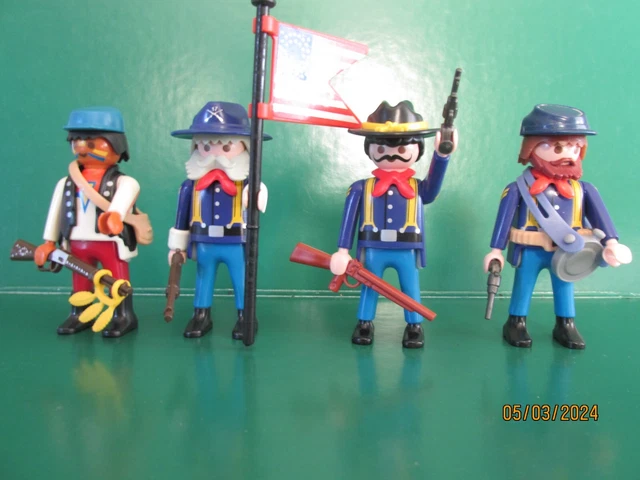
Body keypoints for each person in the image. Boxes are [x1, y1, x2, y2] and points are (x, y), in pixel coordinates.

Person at [483, 104, 632, 349]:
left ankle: (565, 324)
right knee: (523, 285)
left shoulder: (584, 190)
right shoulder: (518, 188)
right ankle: (516, 322)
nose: (567, 154)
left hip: (568, 251)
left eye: (574, 147)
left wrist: (612, 243)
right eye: (558, 147)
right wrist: (496, 250)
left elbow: (601, 218)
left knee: (565, 286)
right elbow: (504, 219)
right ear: (531, 148)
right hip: (529, 249)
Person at [330, 100, 457, 348]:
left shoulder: (418, 188)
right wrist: (342, 250)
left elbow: (433, 189)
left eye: (401, 147)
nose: (391, 153)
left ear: (418, 149)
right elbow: (348, 219)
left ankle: (414, 325)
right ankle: (365, 322)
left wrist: (442, 155)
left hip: (406, 247)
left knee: (410, 286)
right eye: (382, 147)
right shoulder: (360, 188)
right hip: (373, 246)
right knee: (369, 286)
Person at [35, 107, 147, 337]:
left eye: (91, 142)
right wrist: (49, 241)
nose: (82, 147)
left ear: (117, 145)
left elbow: (125, 197)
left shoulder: (123, 181)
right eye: (76, 141)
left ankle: (123, 315)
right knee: (80, 278)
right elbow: (55, 212)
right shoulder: (66, 183)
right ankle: (80, 313)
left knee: (117, 279)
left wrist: (114, 215)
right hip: (77, 241)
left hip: (110, 241)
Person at [168, 101, 270, 339]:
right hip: (203, 241)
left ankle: (246, 316)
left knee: (241, 279)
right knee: (203, 278)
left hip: (235, 241)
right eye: (206, 146)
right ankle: (201, 315)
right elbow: (181, 218)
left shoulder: (247, 185)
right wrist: (177, 247)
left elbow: (259, 203)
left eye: (225, 147)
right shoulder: (189, 187)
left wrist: (257, 191)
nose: (215, 154)